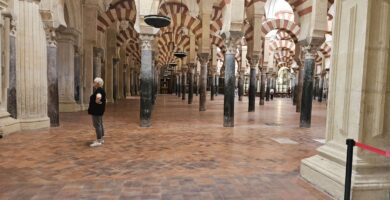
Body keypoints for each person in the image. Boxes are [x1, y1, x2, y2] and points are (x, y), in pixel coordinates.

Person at [88, 77, 106, 147]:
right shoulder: (101, 90)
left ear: (98, 83)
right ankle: (101, 139)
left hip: (96, 111)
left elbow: (98, 97)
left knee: (97, 125)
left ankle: (99, 140)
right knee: (100, 124)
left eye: (94, 82)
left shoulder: (98, 90)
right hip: (99, 110)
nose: (93, 83)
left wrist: (97, 101)